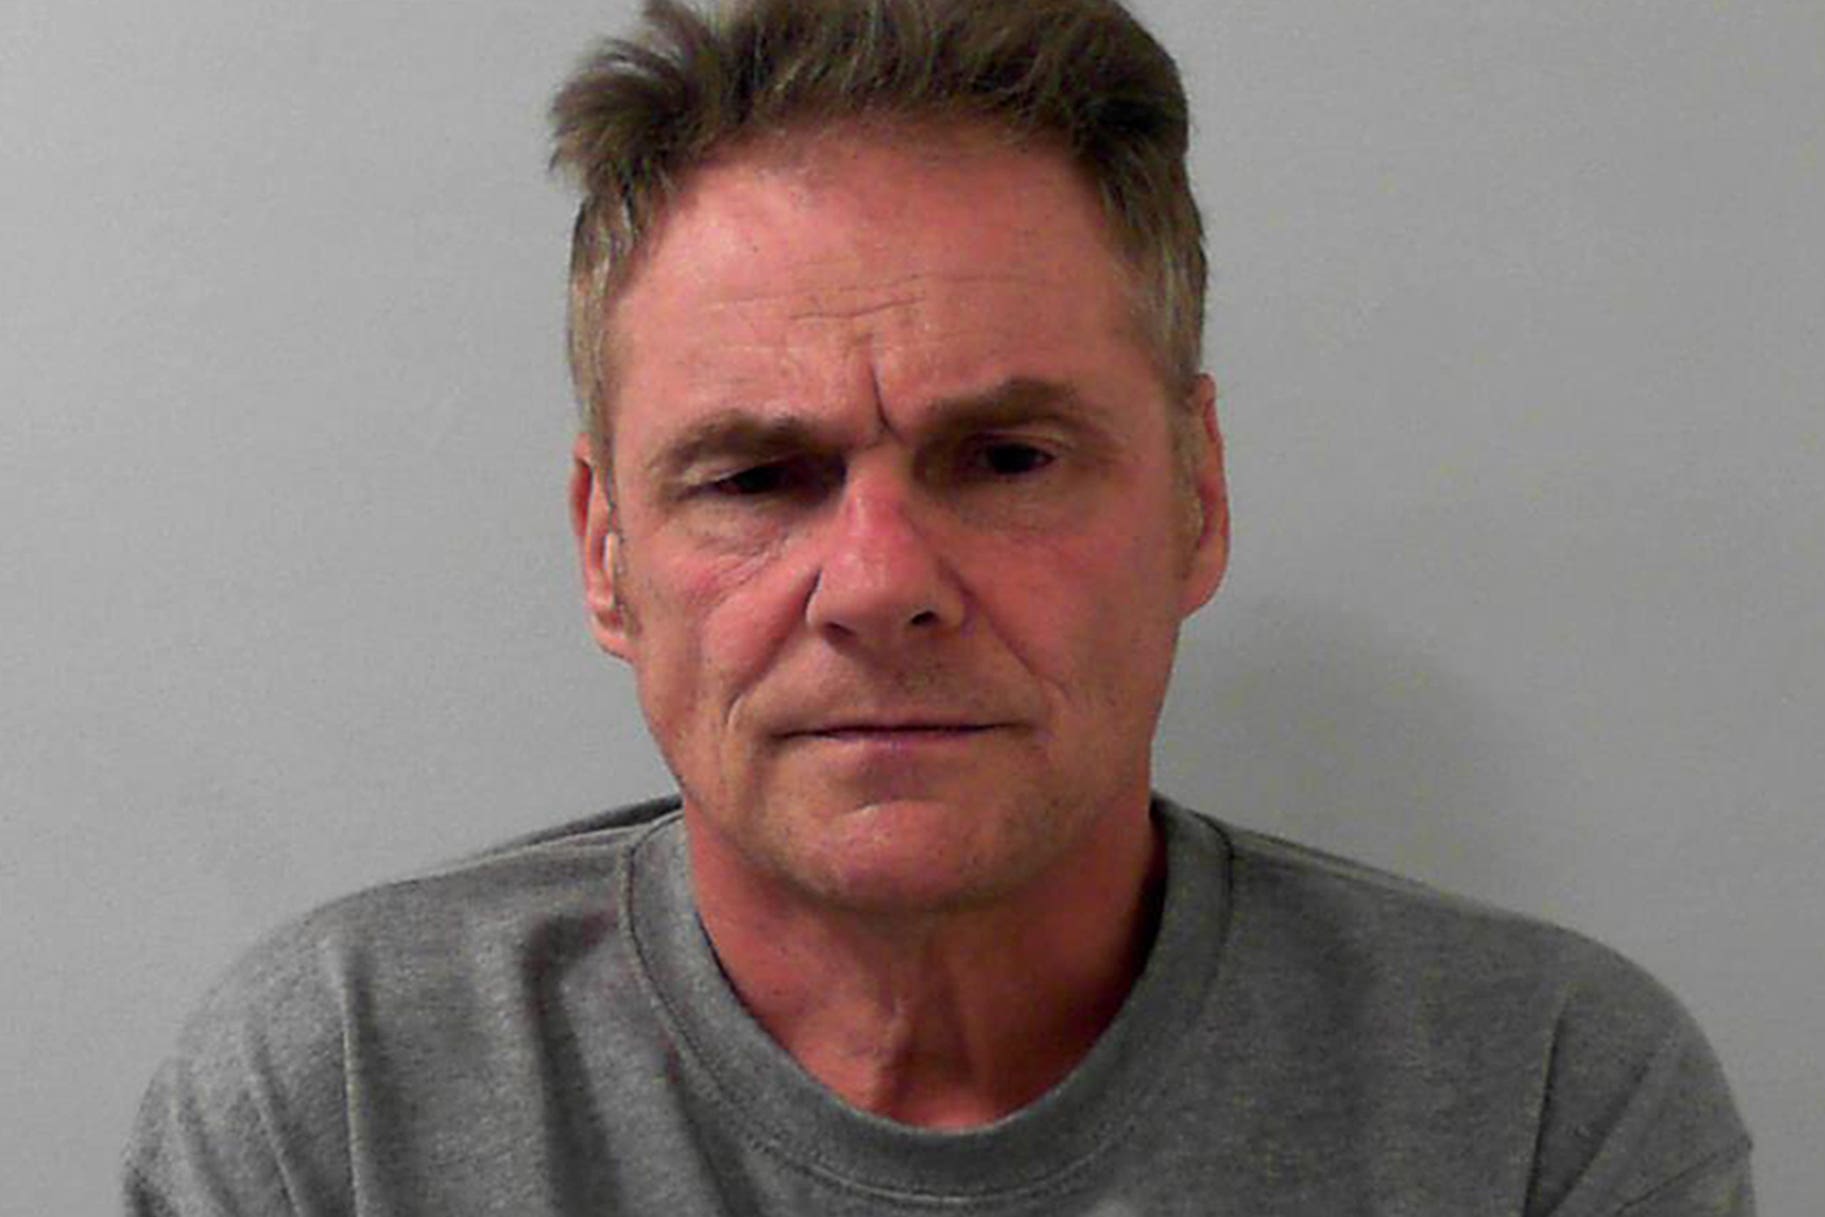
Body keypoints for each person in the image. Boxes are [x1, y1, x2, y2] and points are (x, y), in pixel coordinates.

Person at [123, 1, 1754, 1212]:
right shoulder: (339, 1101)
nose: (882, 583)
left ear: (1194, 498)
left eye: (1008, 457)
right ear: (606, 553)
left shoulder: (1542, 1105)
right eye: (755, 478)